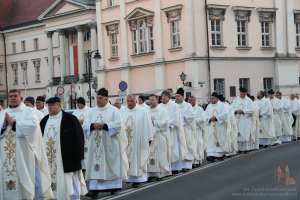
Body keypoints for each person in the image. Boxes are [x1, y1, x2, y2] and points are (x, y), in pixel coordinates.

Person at [0, 89, 53, 200]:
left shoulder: (29, 111)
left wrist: (14, 124)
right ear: (8, 98)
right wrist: (3, 126)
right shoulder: (2, 114)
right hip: (5, 158)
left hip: (23, 155)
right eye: (10, 96)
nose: (13, 98)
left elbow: (33, 126)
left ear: (21, 98)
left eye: (15, 96)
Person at [83, 88, 128, 197]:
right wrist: (92, 126)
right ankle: (94, 190)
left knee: (111, 164)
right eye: (97, 98)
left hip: (110, 144)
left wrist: (105, 126)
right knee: (95, 164)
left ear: (106, 99)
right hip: (96, 145)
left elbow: (119, 125)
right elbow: (85, 125)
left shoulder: (114, 110)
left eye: (100, 98)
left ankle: (114, 187)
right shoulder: (92, 111)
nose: (98, 100)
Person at [40, 97, 87, 199]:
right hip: (49, 160)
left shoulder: (70, 119)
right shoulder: (44, 121)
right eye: (49, 105)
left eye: (52, 105)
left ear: (59, 106)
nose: (50, 107)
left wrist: (79, 156)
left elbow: (79, 138)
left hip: (67, 159)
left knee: (70, 184)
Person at [123, 95, 154, 188]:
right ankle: (129, 177)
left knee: (138, 159)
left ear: (136, 101)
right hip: (127, 142)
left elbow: (148, 125)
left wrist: (149, 139)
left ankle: (138, 180)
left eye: (131, 101)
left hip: (138, 141)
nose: (129, 103)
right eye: (128, 101)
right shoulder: (123, 111)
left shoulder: (143, 111)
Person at [160, 90, 187, 174]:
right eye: (162, 96)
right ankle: (165, 167)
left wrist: (167, 124)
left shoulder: (174, 105)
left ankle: (175, 167)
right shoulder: (160, 106)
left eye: (165, 96)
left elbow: (176, 117)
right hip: (162, 131)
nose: (163, 98)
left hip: (171, 131)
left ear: (169, 97)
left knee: (173, 148)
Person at [147, 94, 171, 181]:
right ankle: (150, 173)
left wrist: (154, 123)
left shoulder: (162, 111)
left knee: (160, 154)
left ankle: (160, 173)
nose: (150, 102)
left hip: (159, 136)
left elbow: (165, 123)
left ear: (157, 100)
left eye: (152, 100)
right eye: (149, 100)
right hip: (150, 137)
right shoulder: (146, 111)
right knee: (149, 155)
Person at [205, 92, 231, 162]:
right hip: (211, 127)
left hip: (220, 126)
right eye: (211, 98)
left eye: (213, 98)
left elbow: (225, 115)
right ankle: (211, 155)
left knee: (220, 139)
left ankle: (220, 154)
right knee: (211, 140)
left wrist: (216, 118)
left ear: (217, 99)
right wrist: (210, 118)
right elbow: (205, 115)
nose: (211, 100)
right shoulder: (209, 106)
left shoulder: (222, 105)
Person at [175, 88, 196, 171]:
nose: (176, 98)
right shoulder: (173, 105)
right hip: (176, 130)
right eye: (176, 96)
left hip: (185, 129)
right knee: (177, 147)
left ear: (183, 96)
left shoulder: (188, 105)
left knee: (186, 146)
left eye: (178, 96)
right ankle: (177, 166)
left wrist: (181, 118)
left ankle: (186, 165)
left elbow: (192, 117)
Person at [231, 88, 254, 153]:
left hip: (245, 120)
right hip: (238, 119)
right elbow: (231, 108)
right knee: (238, 133)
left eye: (243, 94)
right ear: (239, 93)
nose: (242, 95)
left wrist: (243, 111)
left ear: (246, 93)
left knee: (245, 132)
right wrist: (236, 110)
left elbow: (252, 110)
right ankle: (239, 149)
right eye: (241, 94)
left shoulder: (249, 100)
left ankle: (246, 148)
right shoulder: (236, 100)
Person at [72, 97, 91, 170]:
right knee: (80, 149)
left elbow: (92, 120)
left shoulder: (90, 110)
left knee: (88, 149)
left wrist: (85, 122)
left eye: (78, 103)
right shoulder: (75, 112)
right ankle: (82, 166)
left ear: (81, 104)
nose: (77, 105)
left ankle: (88, 165)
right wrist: (78, 122)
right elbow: (73, 122)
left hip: (87, 134)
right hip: (79, 134)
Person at [188, 95, 206, 166]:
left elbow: (203, 119)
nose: (190, 102)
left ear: (195, 101)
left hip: (197, 130)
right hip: (189, 131)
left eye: (191, 100)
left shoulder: (199, 109)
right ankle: (191, 161)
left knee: (197, 145)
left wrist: (193, 121)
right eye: (189, 100)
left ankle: (197, 160)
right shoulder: (187, 109)